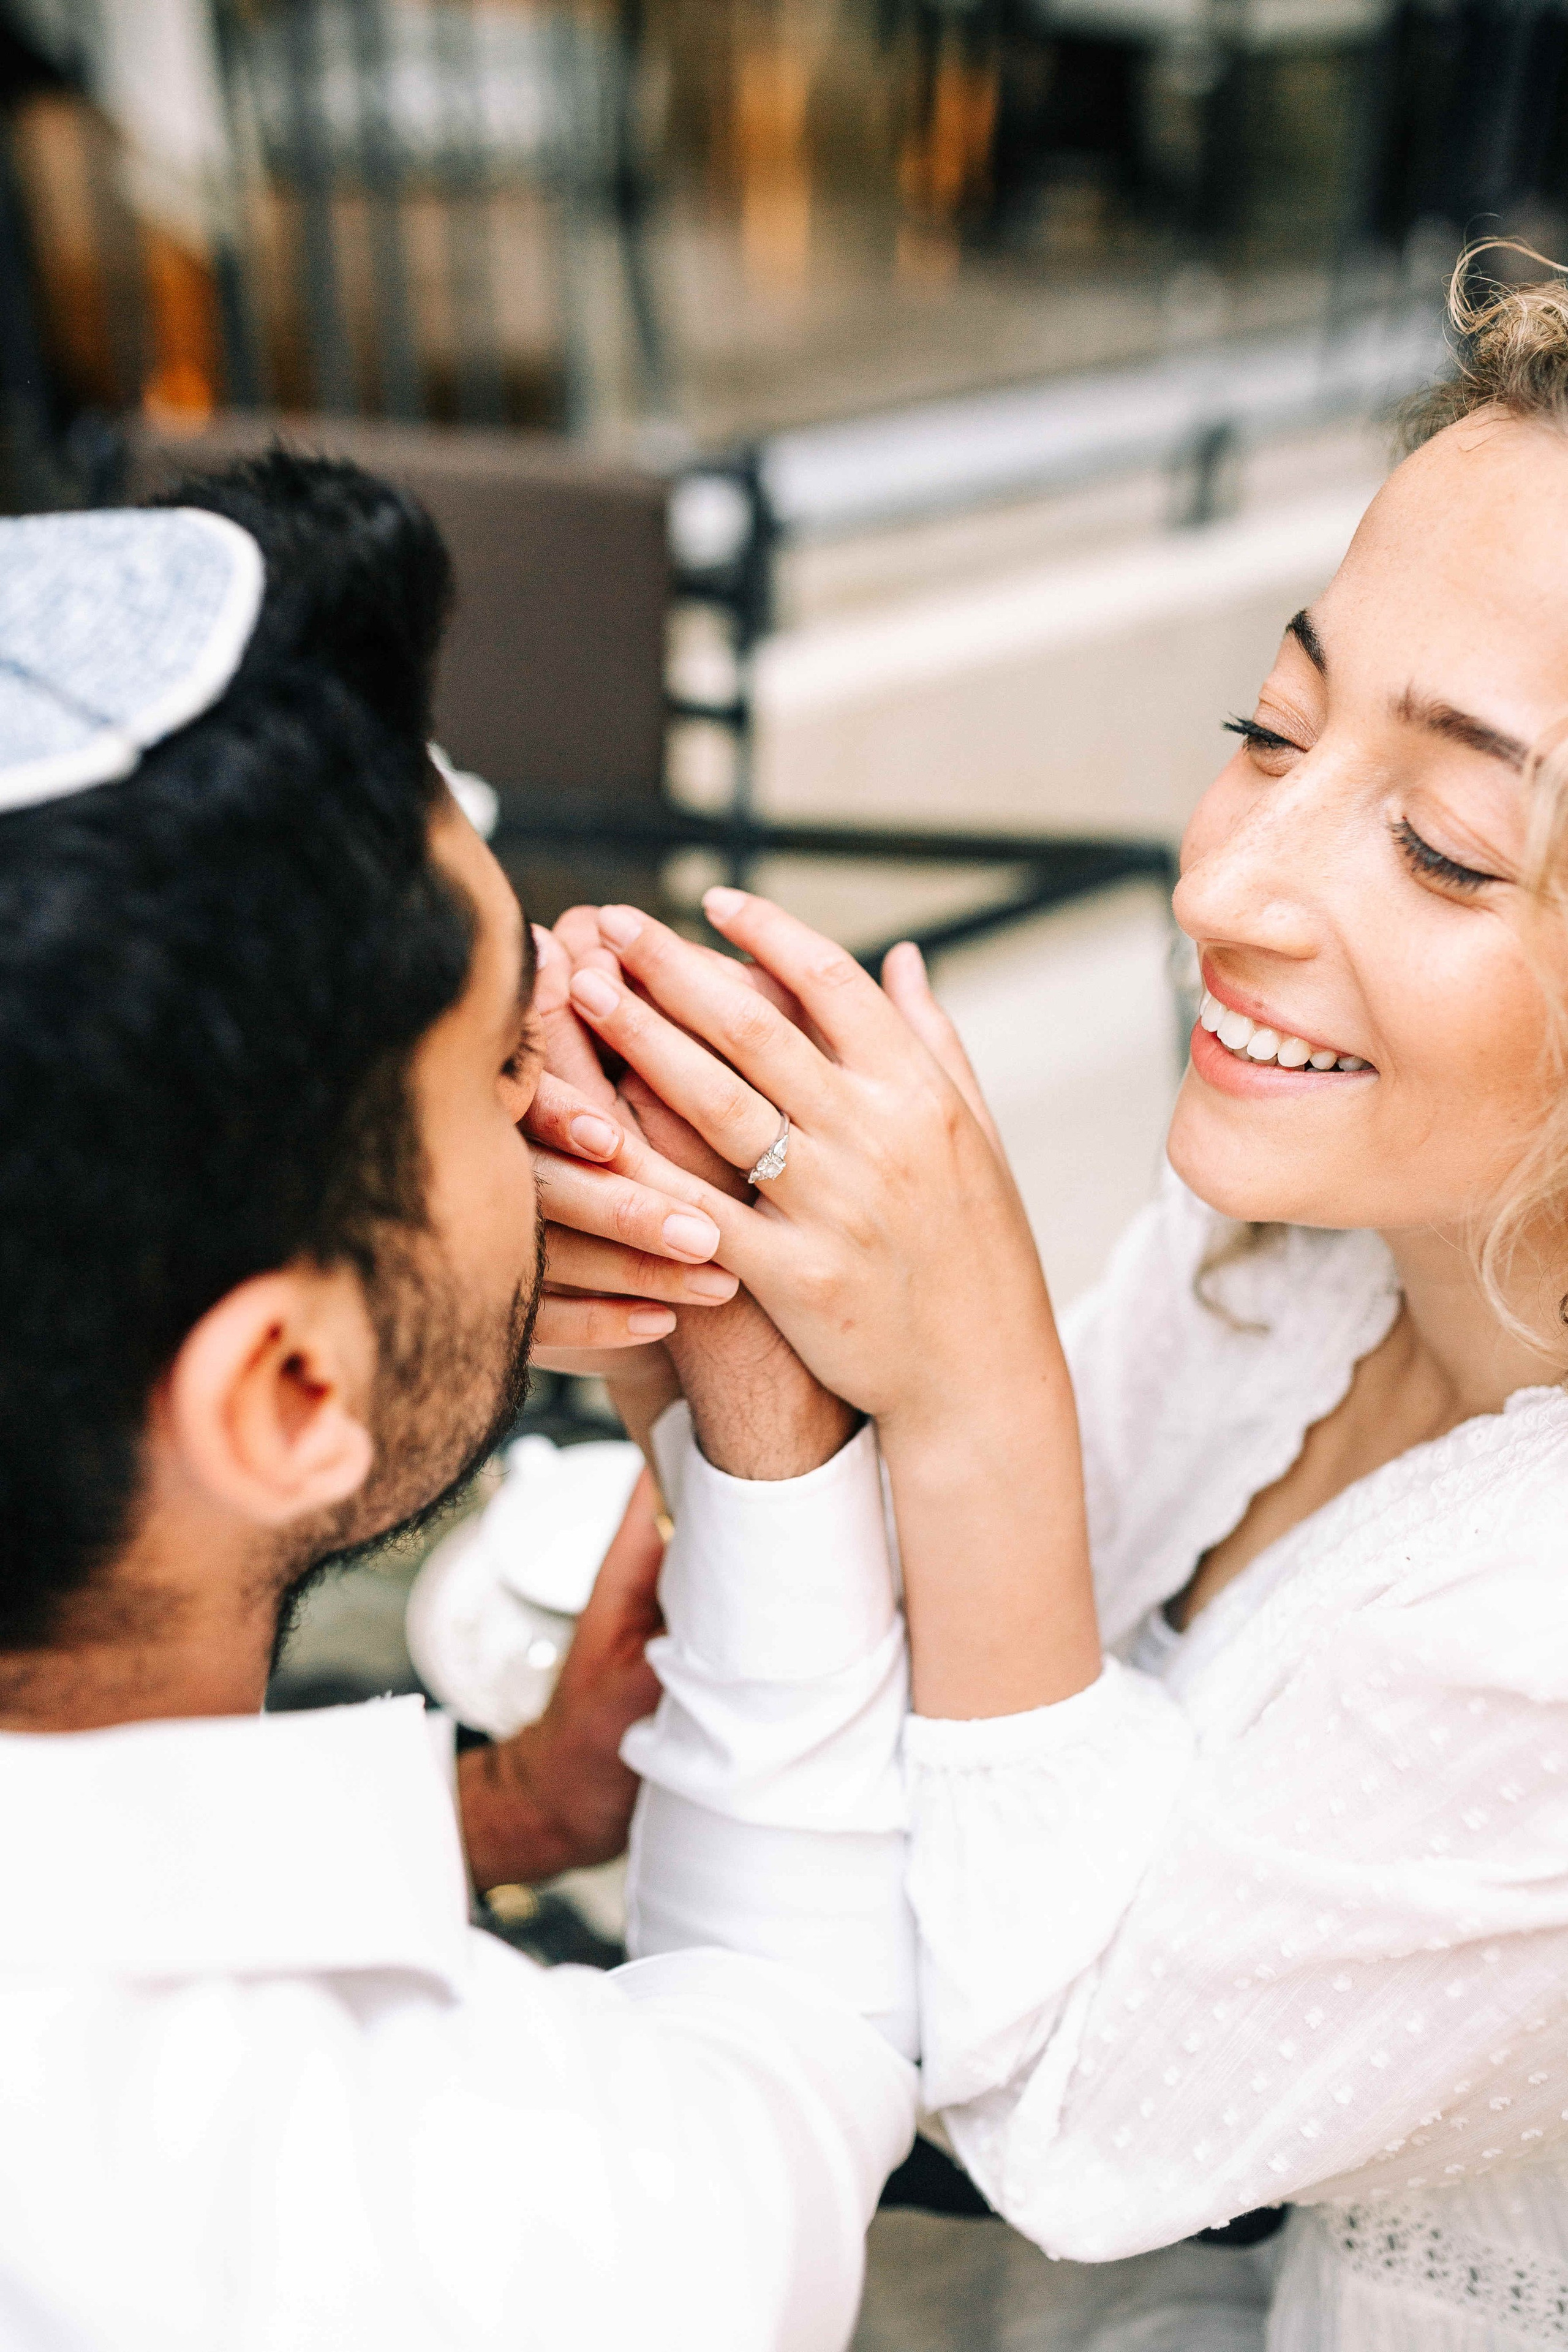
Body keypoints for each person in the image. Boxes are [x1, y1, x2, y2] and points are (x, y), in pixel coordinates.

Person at [547, 269, 1568, 2350]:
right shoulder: (1276, 1273)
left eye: (1451, 850)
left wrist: (976, 1392)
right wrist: (718, 1362)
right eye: (1269, 732)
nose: (1231, 886)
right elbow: (913, 1749)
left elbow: (1072, 2122)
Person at [0, 456, 918, 2351]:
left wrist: (485, 1813)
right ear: (285, 1386)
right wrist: (767, 1416)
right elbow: (792, 2054)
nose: (570, 1081)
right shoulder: (436, 2225)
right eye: (511, 1059)